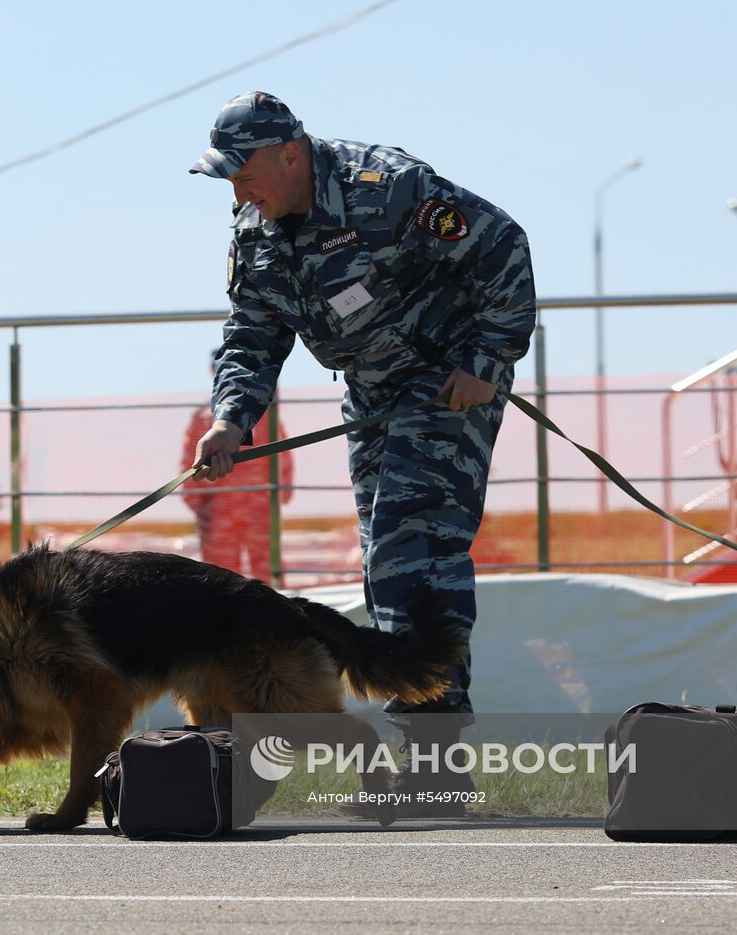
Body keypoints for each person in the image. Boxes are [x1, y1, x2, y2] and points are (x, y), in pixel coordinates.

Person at [188, 92, 537, 815]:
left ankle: (434, 768)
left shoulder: (389, 190)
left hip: (446, 384)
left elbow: (503, 247)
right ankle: (431, 765)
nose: (236, 189)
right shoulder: (256, 227)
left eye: (243, 171)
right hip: (372, 392)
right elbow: (251, 335)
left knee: (411, 550)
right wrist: (230, 421)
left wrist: (487, 356)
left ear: (291, 154)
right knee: (386, 557)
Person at [181, 351, 293, 583]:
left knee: (260, 574)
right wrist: (198, 504)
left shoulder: (260, 414)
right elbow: (190, 463)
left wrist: (278, 495)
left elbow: (282, 455)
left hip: (255, 507)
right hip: (224, 508)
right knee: (222, 577)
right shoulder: (207, 417)